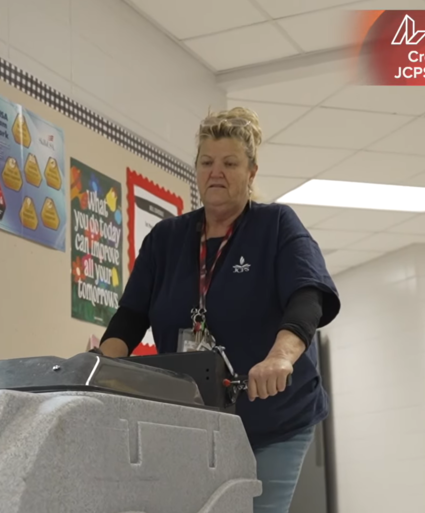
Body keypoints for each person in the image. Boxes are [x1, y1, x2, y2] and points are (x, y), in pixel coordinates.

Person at [98, 107, 340, 513]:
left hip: (273, 417)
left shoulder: (276, 225)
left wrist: (280, 357)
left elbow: (307, 296)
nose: (217, 172)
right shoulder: (166, 239)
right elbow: (131, 316)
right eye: (207, 162)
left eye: (230, 163)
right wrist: (99, 370)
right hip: (193, 419)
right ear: (196, 169)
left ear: (251, 172)